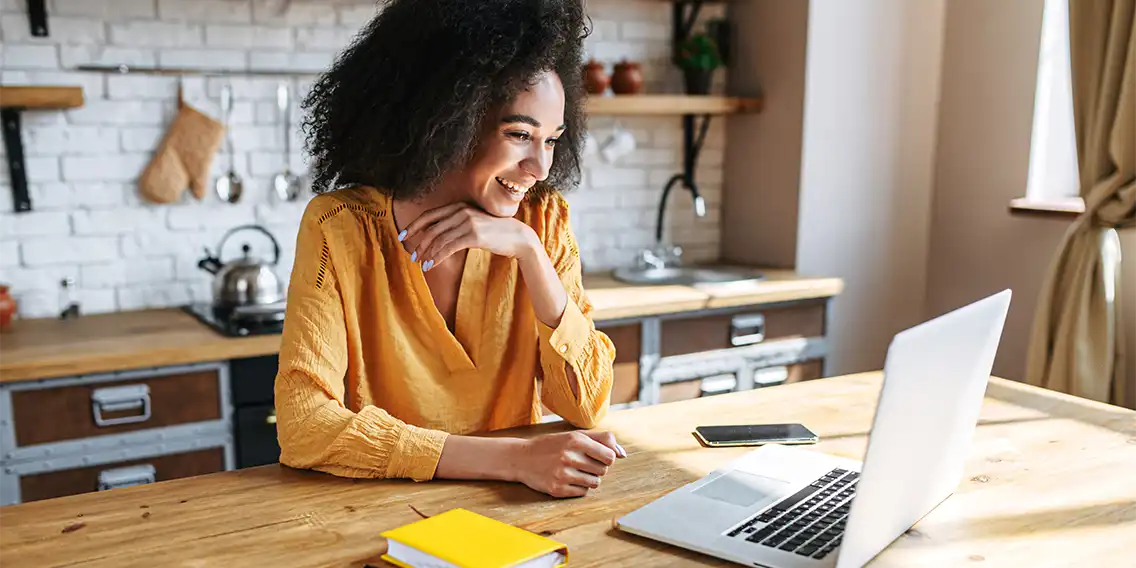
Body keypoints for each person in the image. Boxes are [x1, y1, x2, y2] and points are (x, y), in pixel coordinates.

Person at [273, 0, 624, 499]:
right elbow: (304, 425)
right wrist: (515, 459)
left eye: (551, 140)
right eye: (520, 134)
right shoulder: (341, 227)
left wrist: (529, 252)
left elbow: (588, 404)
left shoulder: (542, 222)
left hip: (517, 511)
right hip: (381, 511)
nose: (541, 168)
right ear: (444, 118)